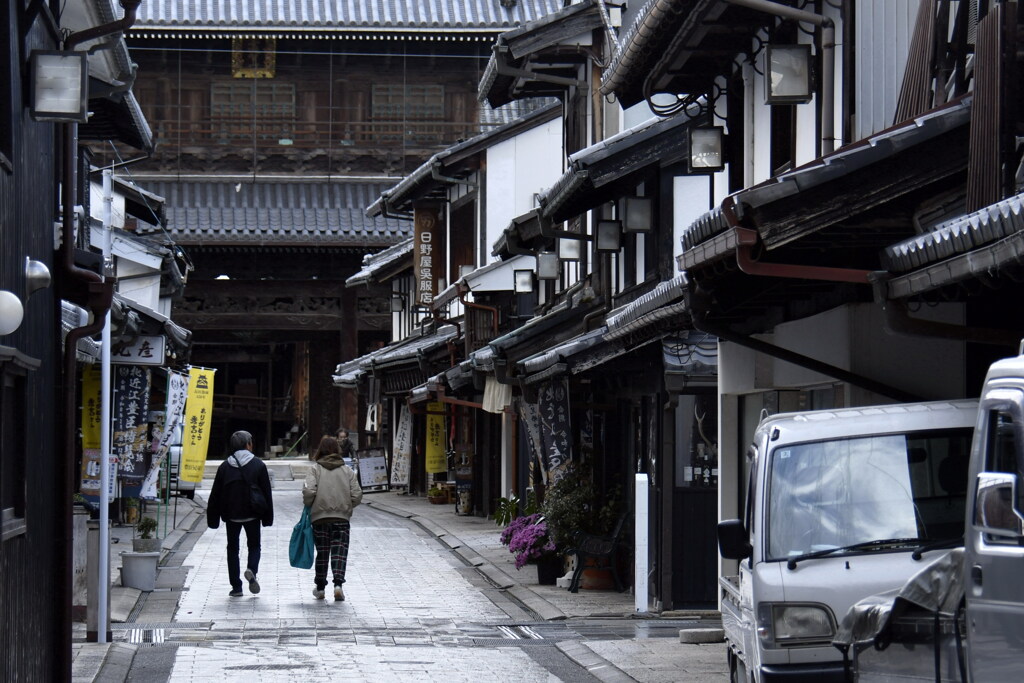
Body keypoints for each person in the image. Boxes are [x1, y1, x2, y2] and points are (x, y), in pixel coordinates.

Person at [207, 430, 274, 597]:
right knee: (254, 545)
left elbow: (215, 494)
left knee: (232, 549)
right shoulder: (258, 465)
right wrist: (267, 518)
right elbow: (266, 493)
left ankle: (236, 587)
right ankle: (251, 569)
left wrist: (213, 519)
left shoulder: (224, 466)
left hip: (231, 515)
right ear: (248, 444)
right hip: (253, 513)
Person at [303, 435, 362, 601]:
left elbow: (309, 492)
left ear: (320, 450)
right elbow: (357, 494)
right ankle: (338, 585)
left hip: (320, 519)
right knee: (339, 551)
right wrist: (347, 506)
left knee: (322, 552)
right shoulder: (347, 470)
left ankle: (320, 588)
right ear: (338, 450)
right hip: (341, 518)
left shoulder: (315, 469)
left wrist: (310, 504)